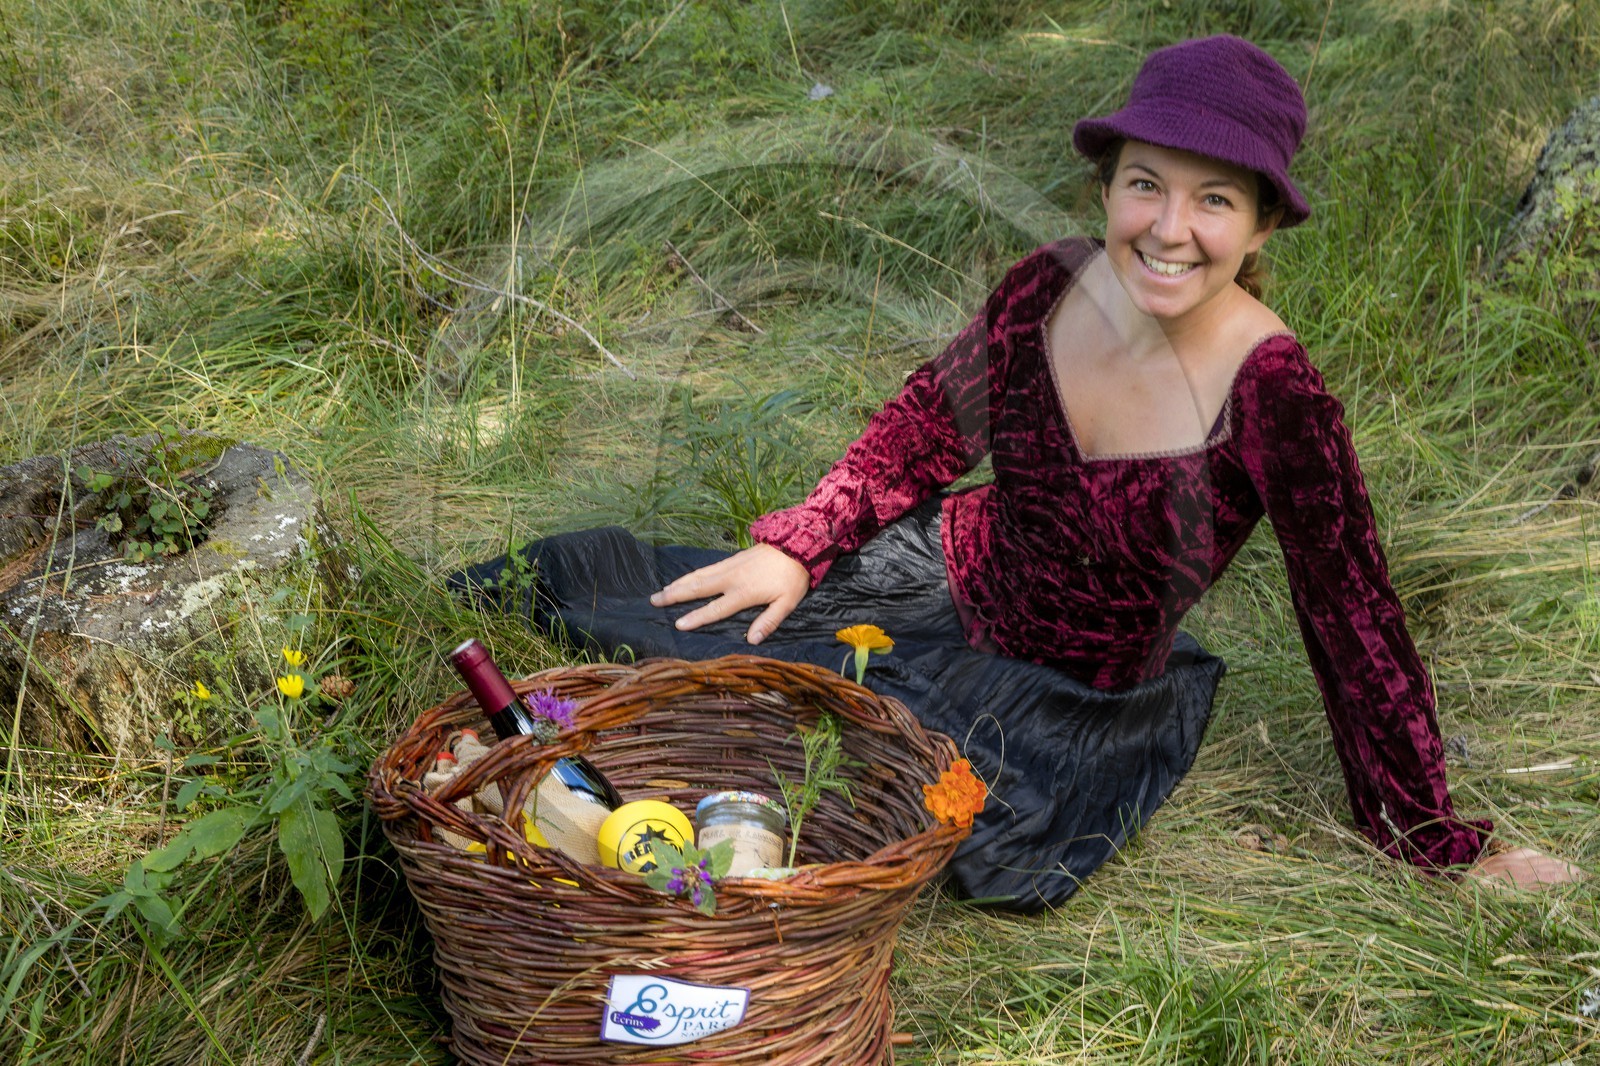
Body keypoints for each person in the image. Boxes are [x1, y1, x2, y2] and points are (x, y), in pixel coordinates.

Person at [451, 35, 1581, 908]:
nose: (1169, 228)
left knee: (899, 808)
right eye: (1146, 184)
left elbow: (1356, 621)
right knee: (663, 629)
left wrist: (1430, 838)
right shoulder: (1047, 284)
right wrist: (798, 544)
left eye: (1214, 200)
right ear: (1107, 187)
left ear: (1262, 227)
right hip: (934, 572)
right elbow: (926, 428)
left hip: (1065, 694)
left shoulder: (1273, 389)